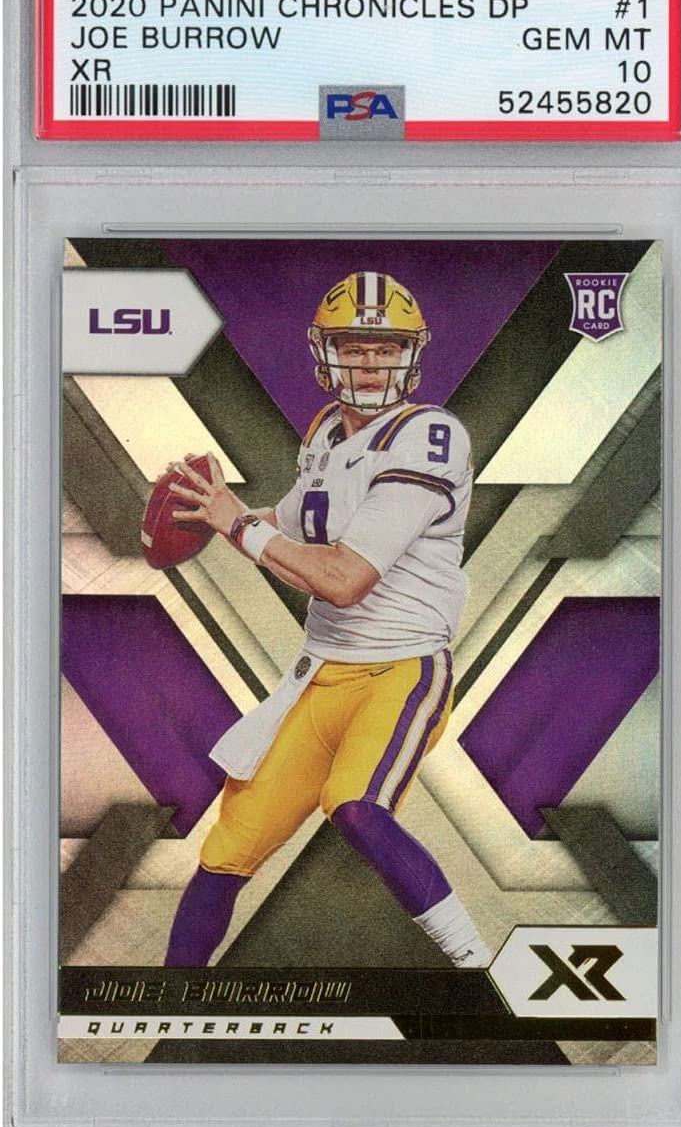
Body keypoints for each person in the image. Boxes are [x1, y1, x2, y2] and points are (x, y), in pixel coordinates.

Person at [164, 270, 492, 969]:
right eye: (354, 347)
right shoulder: (324, 432)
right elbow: (286, 529)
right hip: (319, 677)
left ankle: (479, 969)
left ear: (410, 355)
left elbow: (343, 579)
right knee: (227, 850)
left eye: (386, 348)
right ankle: (167, 1000)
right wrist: (211, 512)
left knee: (356, 805)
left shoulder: (430, 435)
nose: (370, 363)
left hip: (401, 669)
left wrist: (240, 527)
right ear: (326, 352)